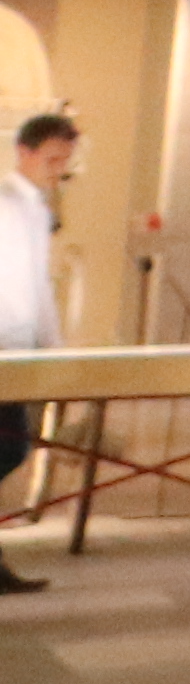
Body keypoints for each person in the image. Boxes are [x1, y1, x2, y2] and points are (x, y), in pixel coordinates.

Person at [0, 106, 74, 592]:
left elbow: (39, 285)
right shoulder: (5, 204)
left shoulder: (37, 210)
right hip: (3, 347)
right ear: (23, 152)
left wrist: (57, 347)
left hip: (21, 348)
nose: (58, 170)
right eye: (50, 159)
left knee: (12, 448)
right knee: (7, 448)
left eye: (63, 161)